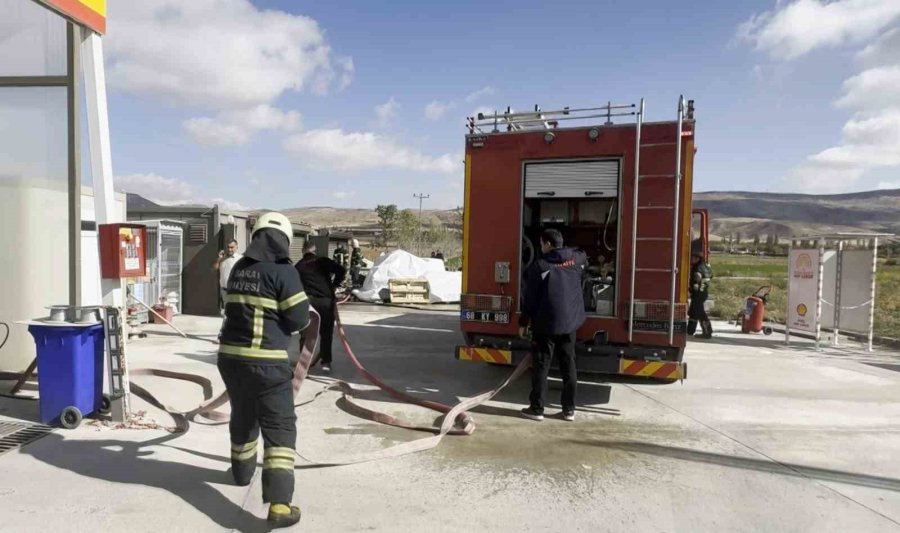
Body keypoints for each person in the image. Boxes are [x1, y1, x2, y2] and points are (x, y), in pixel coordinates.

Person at [218, 212, 310, 529]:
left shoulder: (239, 268)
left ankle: (241, 473)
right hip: (268, 364)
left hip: (230, 360)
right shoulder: (284, 273)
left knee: (243, 414)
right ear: (284, 240)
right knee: (280, 427)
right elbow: (299, 320)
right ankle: (280, 505)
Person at [518, 229, 586, 422]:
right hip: (570, 323)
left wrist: (523, 323)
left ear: (546, 244)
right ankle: (569, 410)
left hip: (546, 325)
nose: (540, 247)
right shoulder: (575, 259)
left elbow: (529, 300)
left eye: (541, 243)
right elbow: (583, 255)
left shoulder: (540, 266)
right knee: (568, 364)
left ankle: (537, 409)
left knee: (541, 366)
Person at [295, 242, 346, 373]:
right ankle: (326, 363)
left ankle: (303, 365)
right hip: (326, 302)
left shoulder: (298, 266)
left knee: (305, 334)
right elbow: (341, 270)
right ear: (315, 251)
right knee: (326, 333)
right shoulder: (322, 261)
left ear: (302, 251)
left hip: (308, 303)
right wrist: (334, 285)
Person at [688, 252, 713, 338]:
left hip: (698, 293)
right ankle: (703, 331)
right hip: (703, 293)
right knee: (697, 312)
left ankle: (705, 332)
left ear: (697, 258)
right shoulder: (706, 267)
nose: (691, 259)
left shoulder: (697, 268)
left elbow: (696, 281)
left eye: (692, 257)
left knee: (697, 313)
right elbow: (711, 276)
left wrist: (691, 289)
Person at [213, 239, 242, 313]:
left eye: (232, 247)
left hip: (236, 289)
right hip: (224, 289)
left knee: (236, 310)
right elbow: (214, 268)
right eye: (228, 247)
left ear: (236, 247)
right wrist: (218, 259)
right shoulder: (222, 258)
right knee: (227, 310)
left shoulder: (240, 259)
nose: (229, 249)